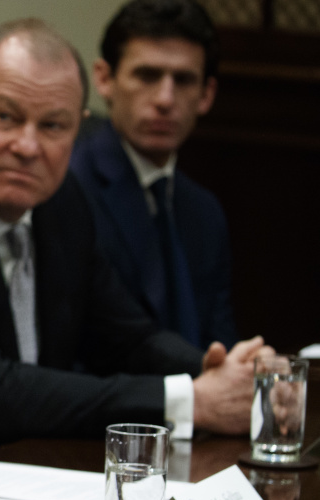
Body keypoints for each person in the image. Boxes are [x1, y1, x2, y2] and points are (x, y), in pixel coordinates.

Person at [0, 18, 265, 482]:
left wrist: (217, 370)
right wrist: (191, 401)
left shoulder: (61, 202)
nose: (28, 146)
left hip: (36, 480)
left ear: (79, 127)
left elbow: (126, 335)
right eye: (6, 117)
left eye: (53, 125)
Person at [70, 0, 237, 349]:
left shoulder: (205, 212)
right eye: (147, 76)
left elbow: (218, 344)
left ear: (206, 95)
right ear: (105, 79)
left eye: (184, 80)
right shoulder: (69, 188)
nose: (164, 98)